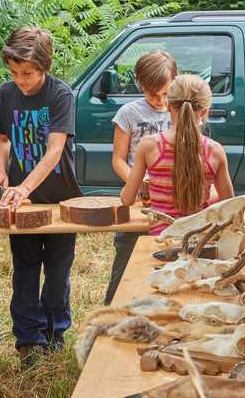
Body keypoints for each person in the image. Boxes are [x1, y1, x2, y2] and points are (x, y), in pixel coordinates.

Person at [0, 26, 83, 367]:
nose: (20, 80)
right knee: (25, 268)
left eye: (27, 73)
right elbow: (3, 139)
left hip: (59, 198)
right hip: (18, 203)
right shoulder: (5, 94)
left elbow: (56, 150)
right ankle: (28, 340)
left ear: (45, 66)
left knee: (57, 271)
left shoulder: (61, 95)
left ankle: (55, 334)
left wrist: (26, 185)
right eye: (14, 73)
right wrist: (0, 169)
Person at [103, 51, 176, 305]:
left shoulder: (180, 112)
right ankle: (112, 310)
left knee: (168, 269)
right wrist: (139, 180)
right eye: (151, 93)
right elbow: (118, 160)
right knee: (125, 265)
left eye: (165, 93)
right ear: (140, 85)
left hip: (172, 204)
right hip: (138, 204)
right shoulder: (128, 113)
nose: (158, 100)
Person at [120, 74, 233, 222]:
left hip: (162, 239)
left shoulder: (149, 146)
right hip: (200, 238)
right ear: (205, 111)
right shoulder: (214, 151)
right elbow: (229, 203)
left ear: (169, 105)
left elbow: (127, 200)